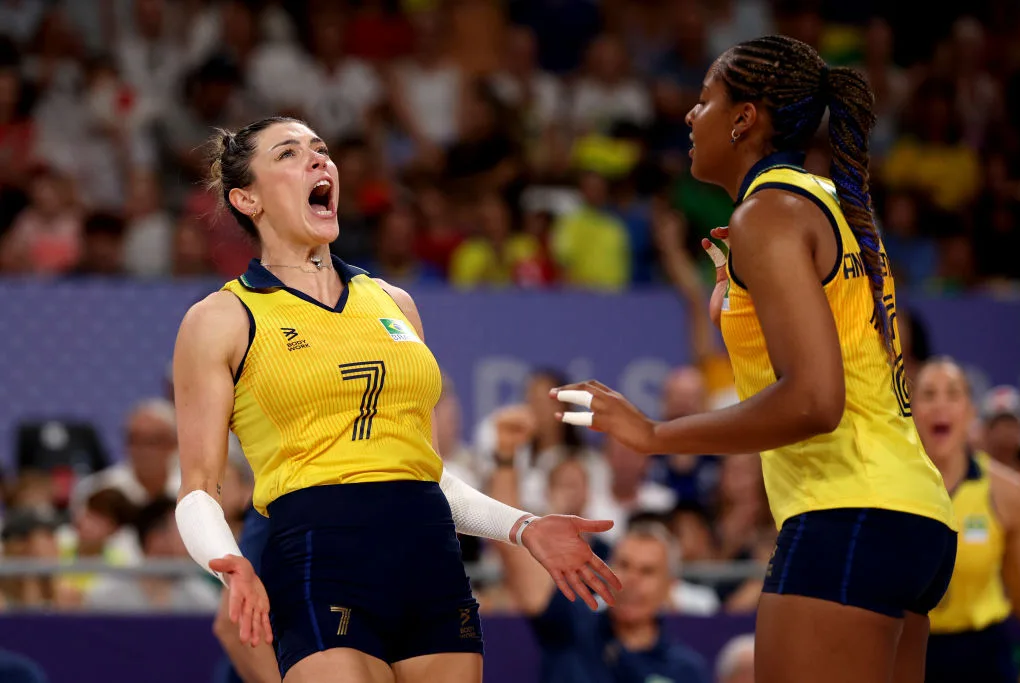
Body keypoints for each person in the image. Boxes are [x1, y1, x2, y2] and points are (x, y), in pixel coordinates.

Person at [552, 35, 958, 683]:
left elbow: (815, 401)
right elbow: (842, 359)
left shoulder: (767, 213)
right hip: (913, 517)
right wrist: (736, 308)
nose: (691, 116)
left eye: (705, 100)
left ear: (744, 118)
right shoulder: (825, 198)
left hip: (847, 510)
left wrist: (654, 434)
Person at [171, 116, 621, 683]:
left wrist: (522, 526)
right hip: (319, 556)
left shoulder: (394, 302)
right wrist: (228, 563)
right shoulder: (221, 317)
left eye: (321, 149)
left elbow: (427, 471)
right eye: (288, 153)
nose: (318, 160)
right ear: (247, 198)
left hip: (430, 558)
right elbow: (198, 488)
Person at [489, 441, 711, 683]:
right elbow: (512, 546)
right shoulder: (571, 624)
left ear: (670, 585)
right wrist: (506, 455)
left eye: (647, 571)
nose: (631, 580)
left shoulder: (686, 671)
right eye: (624, 565)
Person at [912, 358, 1020, 683]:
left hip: (983, 656)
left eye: (952, 394)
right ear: (911, 411)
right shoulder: (888, 489)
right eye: (928, 394)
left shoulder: (1007, 492)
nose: (940, 405)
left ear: (971, 412)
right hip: (912, 651)